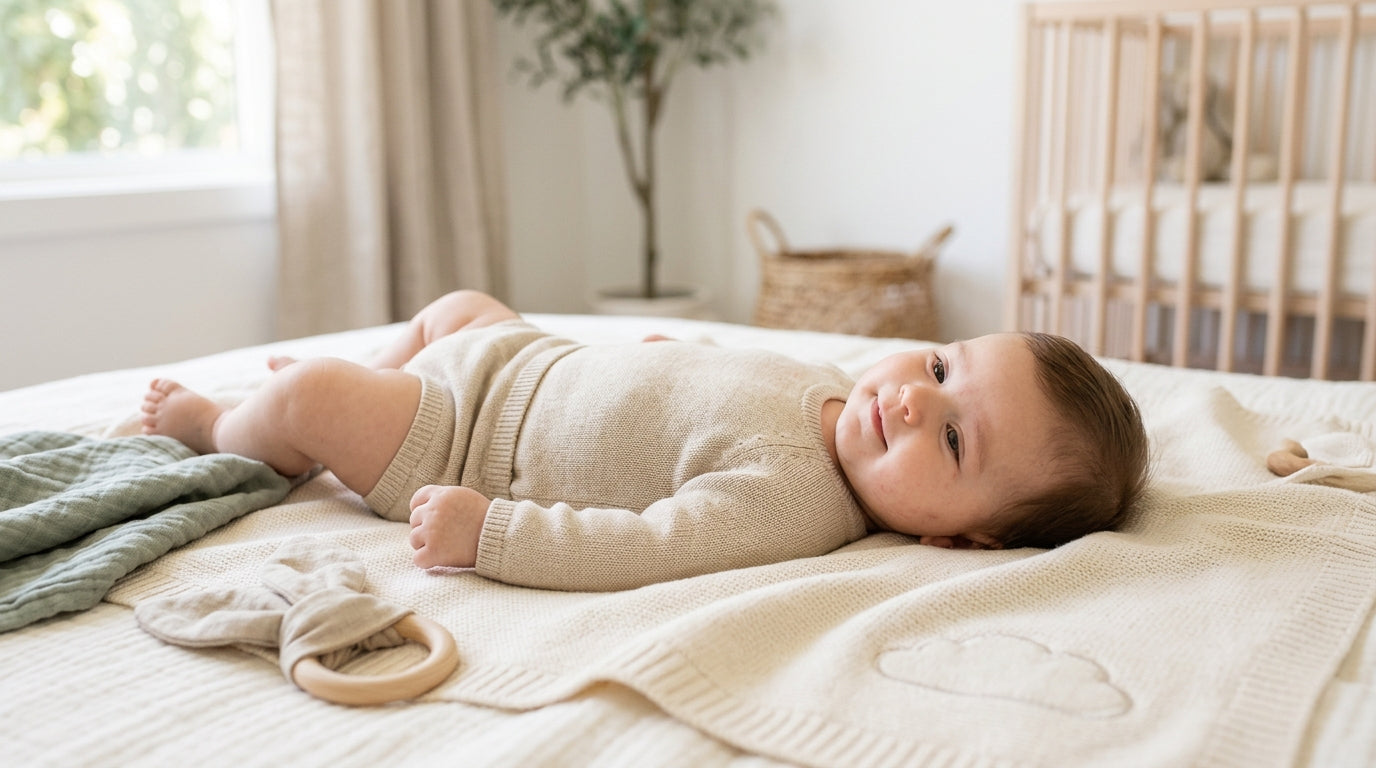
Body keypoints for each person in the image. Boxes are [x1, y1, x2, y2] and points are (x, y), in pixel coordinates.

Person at [141, 290, 1149, 591]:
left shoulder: (793, 501)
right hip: (529, 357)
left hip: (461, 438)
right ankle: (374, 371)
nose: (915, 403)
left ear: (961, 538)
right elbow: (718, 377)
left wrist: (491, 532)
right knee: (458, 305)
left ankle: (229, 426)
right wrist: (674, 355)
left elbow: (648, 546)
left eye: (957, 443)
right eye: (938, 368)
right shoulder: (835, 393)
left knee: (314, 395)